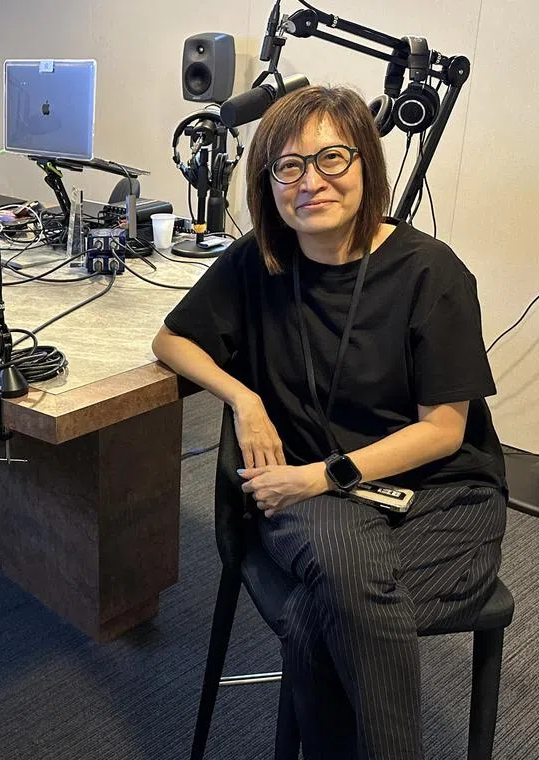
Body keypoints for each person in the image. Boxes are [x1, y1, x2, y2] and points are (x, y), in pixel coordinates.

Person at [153, 86, 506, 759]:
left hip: (438, 493)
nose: (310, 182)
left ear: (366, 164)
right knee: (342, 563)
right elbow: (172, 341)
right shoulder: (259, 259)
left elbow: (443, 431)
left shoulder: (431, 271)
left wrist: (323, 475)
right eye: (288, 167)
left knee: (317, 616)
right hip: (313, 500)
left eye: (331, 159)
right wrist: (244, 399)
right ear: (269, 182)